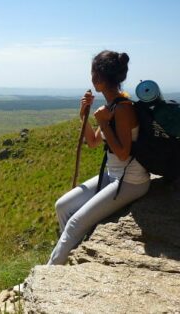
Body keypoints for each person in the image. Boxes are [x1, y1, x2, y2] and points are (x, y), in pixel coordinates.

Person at [46, 50, 151, 265]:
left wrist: (103, 122)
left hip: (131, 181)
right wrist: (85, 115)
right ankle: (67, 252)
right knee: (62, 206)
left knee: (75, 223)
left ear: (99, 78)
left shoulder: (123, 108)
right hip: (113, 175)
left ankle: (50, 271)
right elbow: (93, 142)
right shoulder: (111, 106)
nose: (91, 78)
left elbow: (122, 154)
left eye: (93, 73)